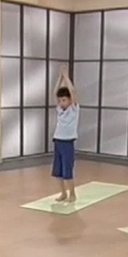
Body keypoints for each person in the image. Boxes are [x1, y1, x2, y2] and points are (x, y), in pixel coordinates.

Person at [52, 65, 79, 202]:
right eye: (60, 100)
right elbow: (55, 92)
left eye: (64, 100)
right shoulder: (59, 110)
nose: (61, 103)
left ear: (69, 100)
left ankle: (72, 194)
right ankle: (63, 193)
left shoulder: (73, 109)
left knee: (67, 170)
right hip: (57, 141)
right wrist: (60, 77)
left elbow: (72, 91)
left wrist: (66, 77)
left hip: (68, 143)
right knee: (58, 171)